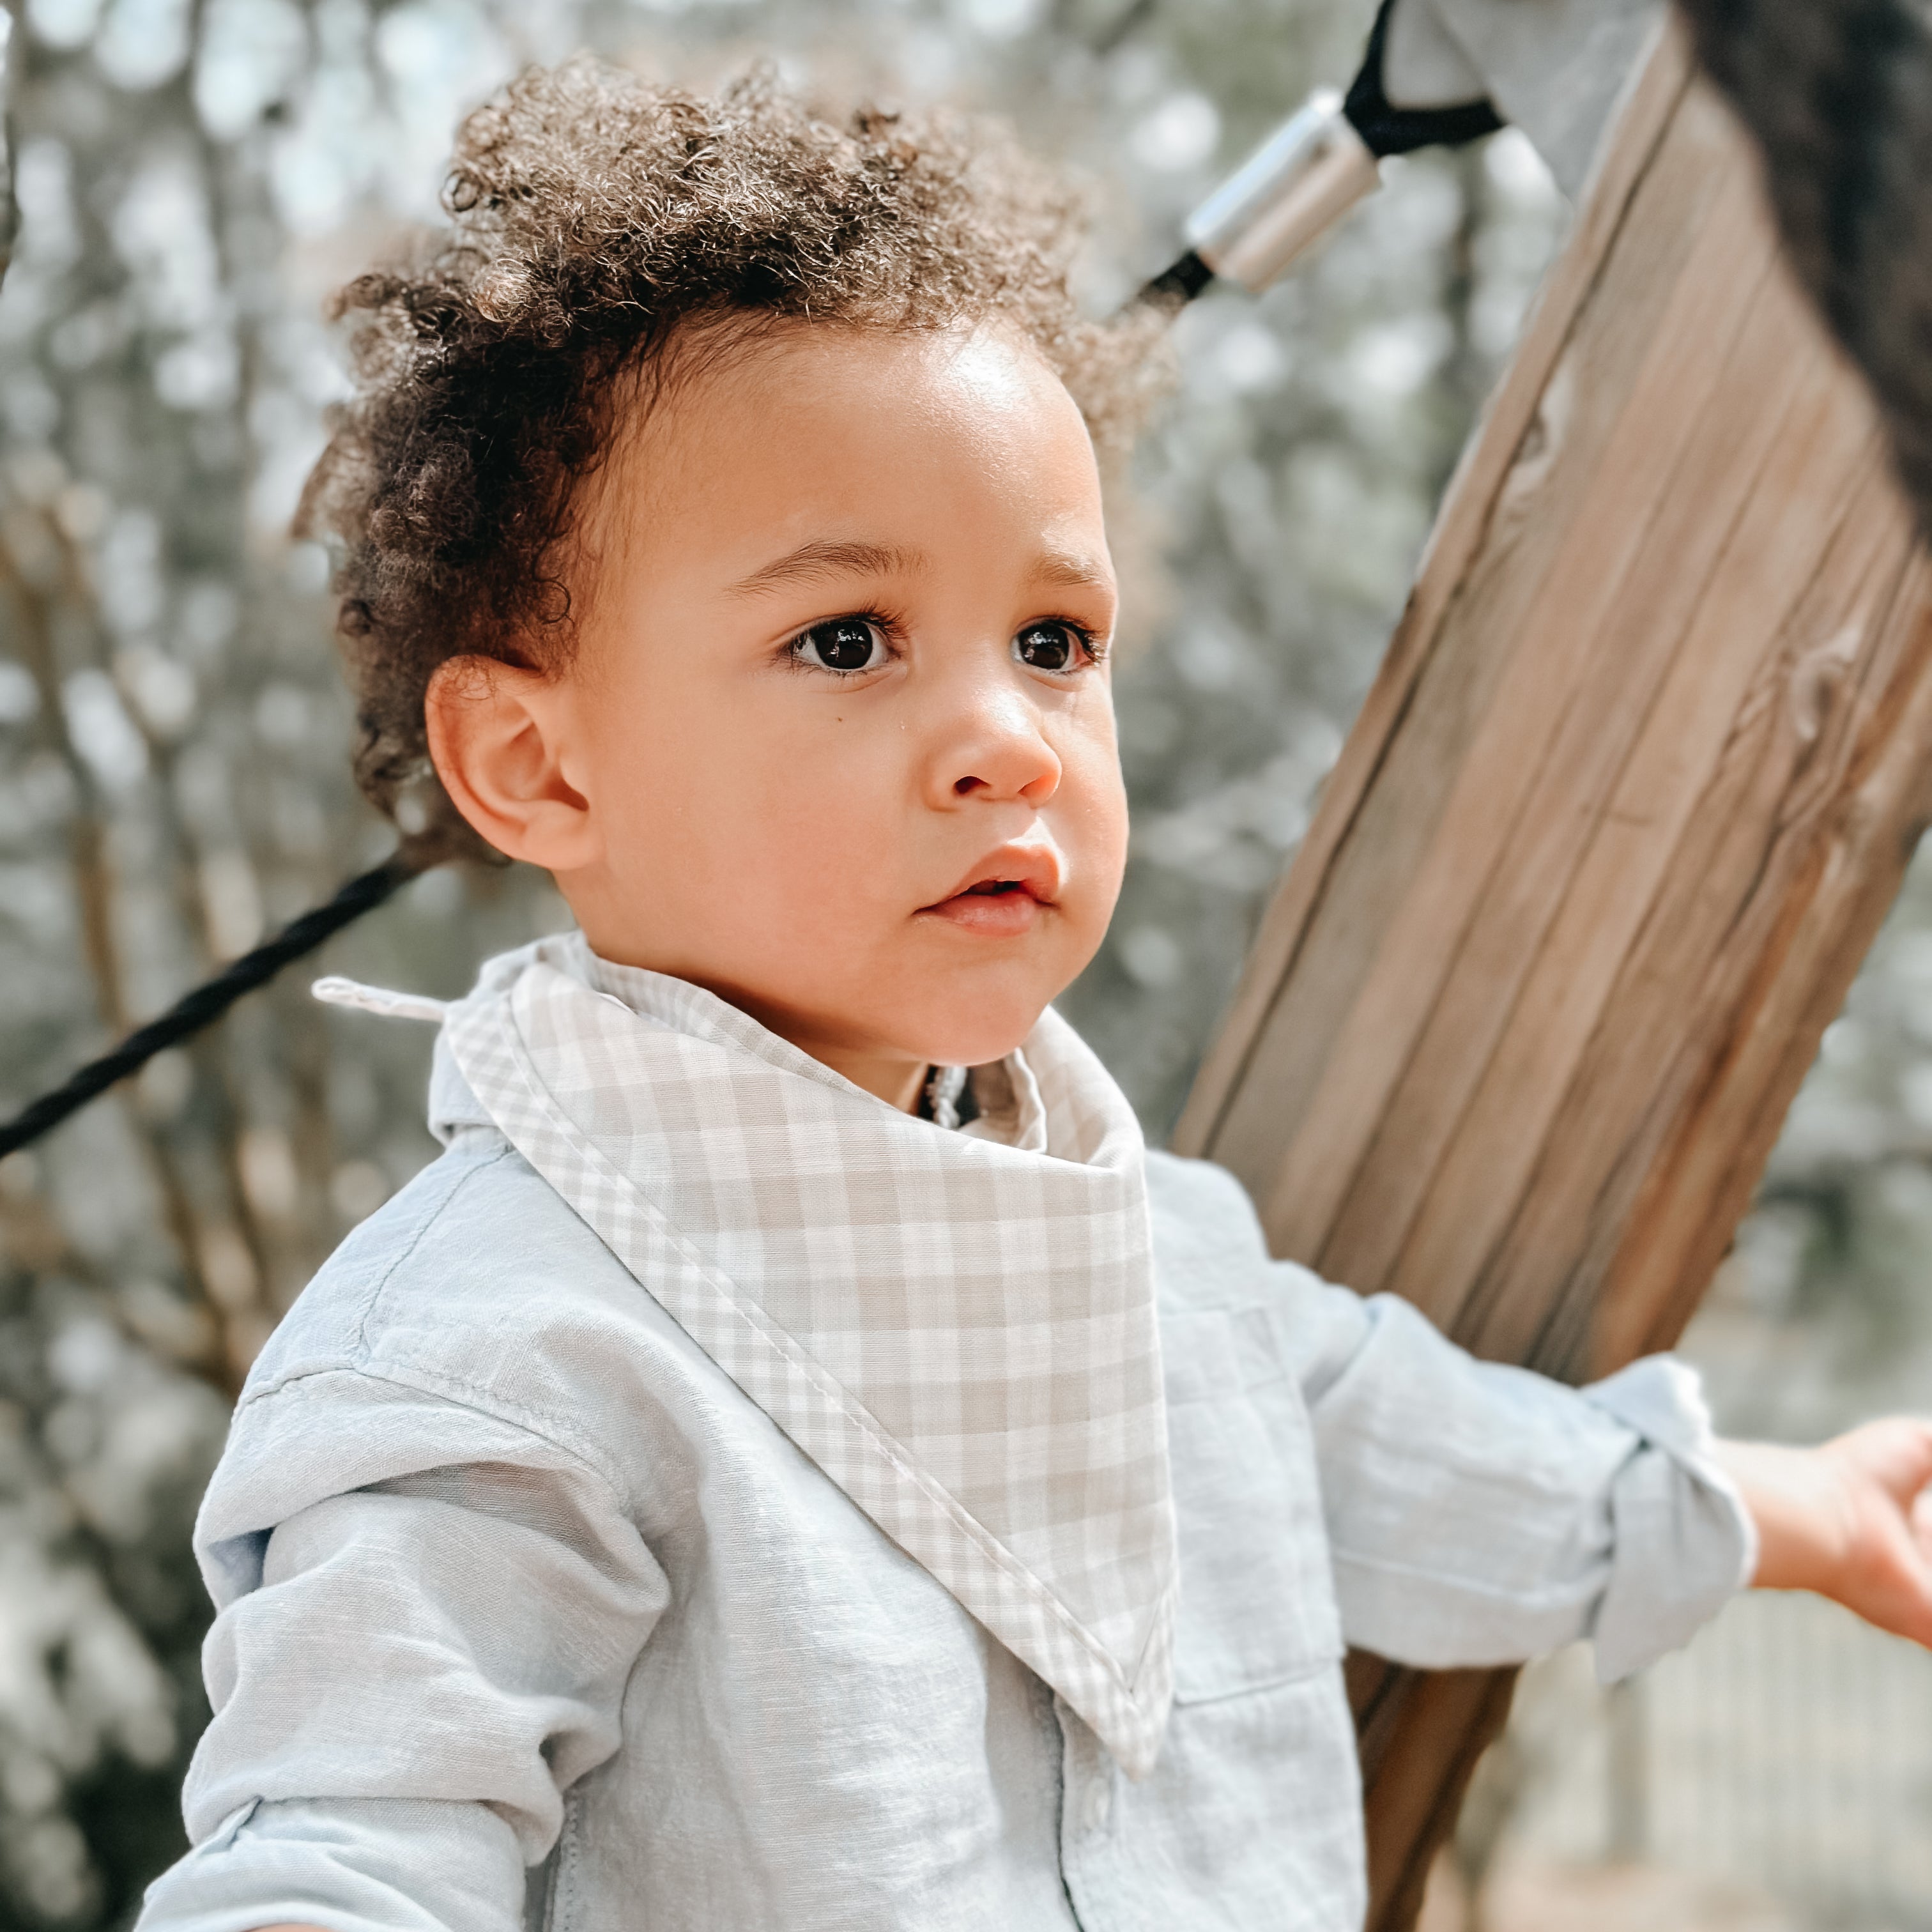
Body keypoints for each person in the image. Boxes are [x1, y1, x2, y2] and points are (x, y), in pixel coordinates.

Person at [134, 57, 1932, 1932]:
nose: (1008, 737)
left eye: (1055, 642)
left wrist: (1795, 1512)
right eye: (848, 640)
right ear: (538, 765)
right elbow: (347, 1842)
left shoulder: (1157, 1261)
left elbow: (1435, 1469)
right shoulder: (513, 1357)